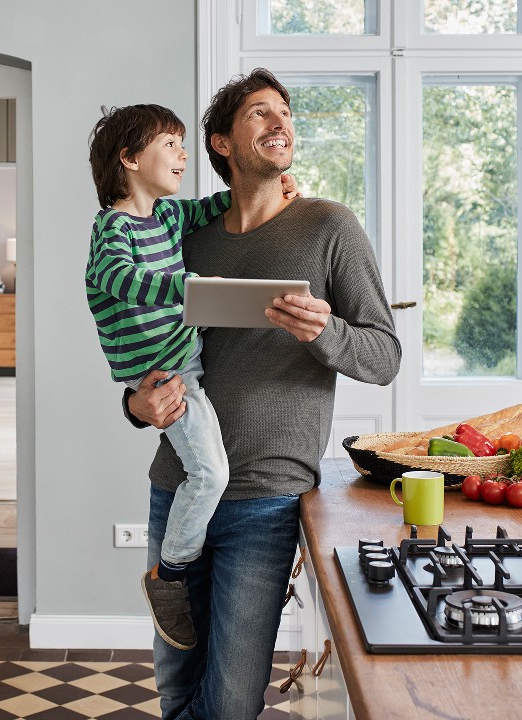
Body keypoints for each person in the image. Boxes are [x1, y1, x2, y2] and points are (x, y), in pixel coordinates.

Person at [123, 69, 401, 719]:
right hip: (178, 486)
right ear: (221, 142)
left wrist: (325, 331)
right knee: (177, 692)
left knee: (228, 705)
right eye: (258, 113)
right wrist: (137, 406)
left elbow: (384, 356)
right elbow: (149, 352)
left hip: (265, 503)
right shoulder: (188, 237)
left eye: (285, 112)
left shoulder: (330, 227)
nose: (280, 121)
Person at [85, 104, 299, 651]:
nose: (184, 155)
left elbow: (214, 205)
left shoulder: (169, 217)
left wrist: (278, 190)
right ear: (129, 159)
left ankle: (174, 569)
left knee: (207, 473)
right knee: (210, 475)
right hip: (171, 379)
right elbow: (116, 278)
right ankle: (171, 575)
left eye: (184, 144)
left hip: (183, 368)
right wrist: (190, 291)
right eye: (171, 145)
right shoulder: (112, 229)